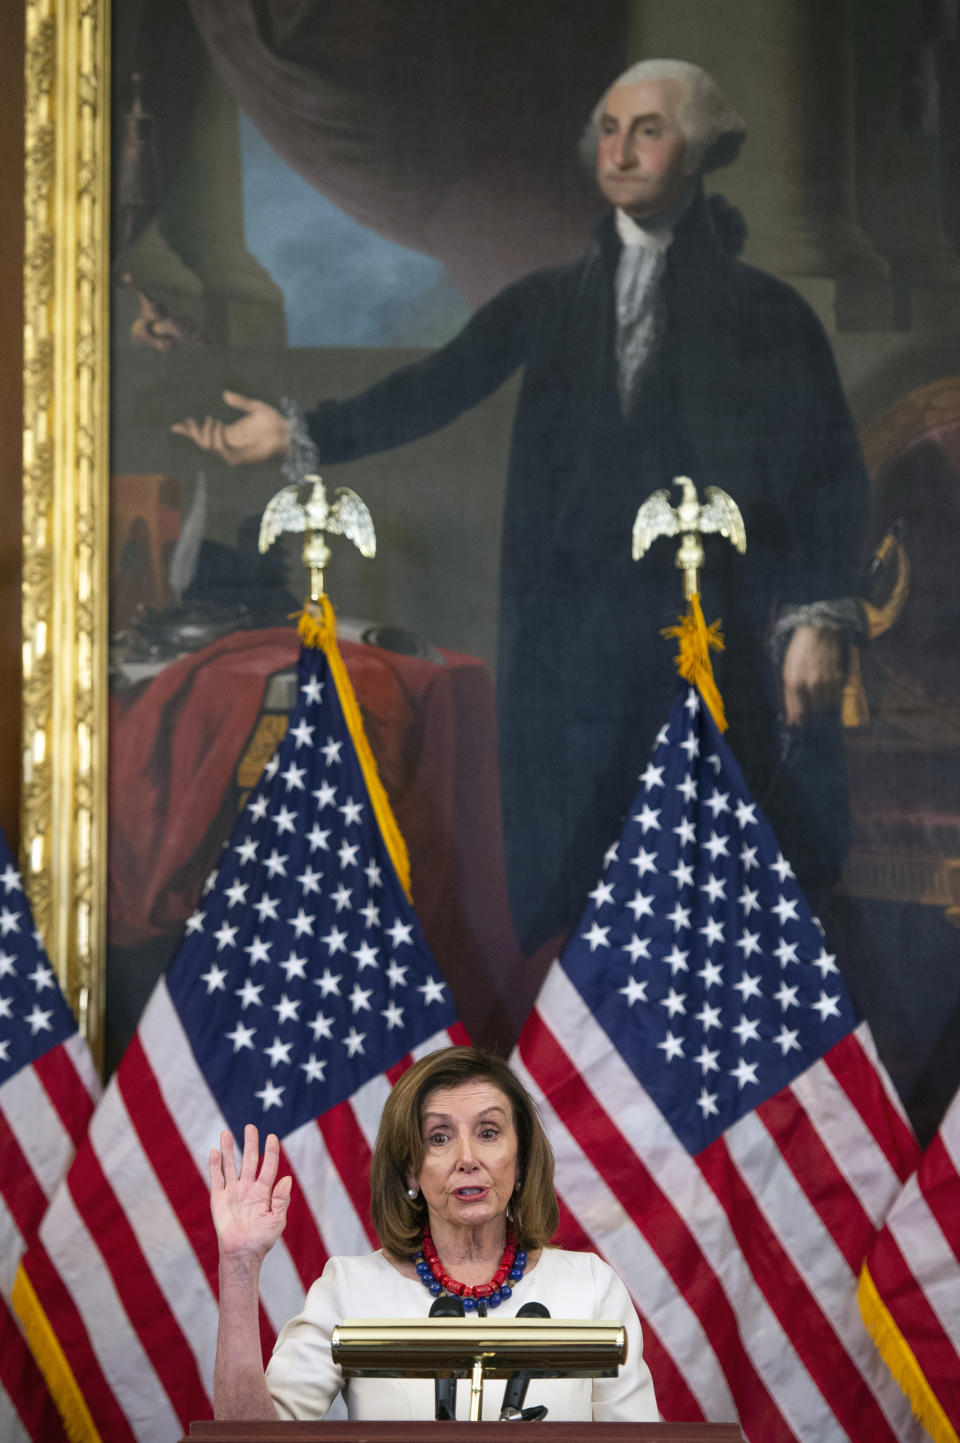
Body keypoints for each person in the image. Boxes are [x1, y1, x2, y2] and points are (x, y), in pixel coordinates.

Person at [175, 59, 867, 949]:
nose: (619, 150)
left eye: (648, 130)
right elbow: (437, 385)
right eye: (609, 130)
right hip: (574, 649)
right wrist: (298, 434)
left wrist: (819, 615)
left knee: (712, 899)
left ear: (698, 151)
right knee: (580, 896)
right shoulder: (551, 302)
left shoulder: (770, 315)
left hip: (711, 638)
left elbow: (829, 472)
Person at [209, 1045, 659, 1421]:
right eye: (439, 1137)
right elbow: (252, 1438)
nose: (467, 1157)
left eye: (488, 1132)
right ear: (410, 1166)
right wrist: (240, 1266)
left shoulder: (591, 1287)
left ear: (519, 1161)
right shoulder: (350, 1289)